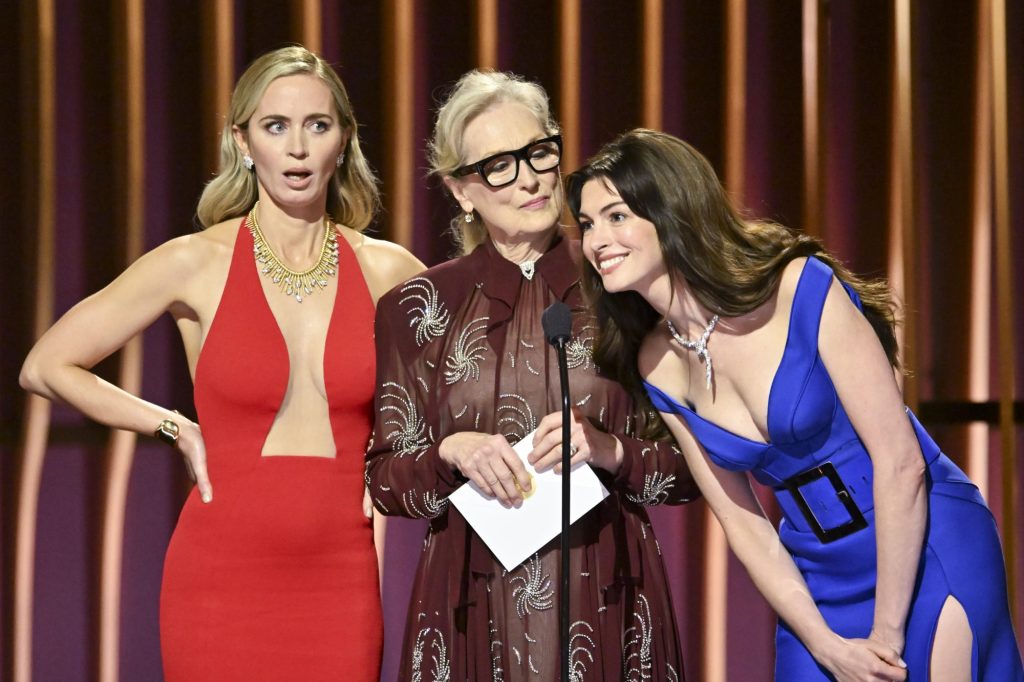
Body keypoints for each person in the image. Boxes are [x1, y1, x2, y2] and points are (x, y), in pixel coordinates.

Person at [20, 46, 424, 680]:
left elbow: (469, 387)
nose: (297, 148)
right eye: (275, 126)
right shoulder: (195, 262)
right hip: (219, 581)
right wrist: (172, 426)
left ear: (343, 142)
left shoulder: (389, 272)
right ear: (243, 141)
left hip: (339, 581)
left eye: (317, 126)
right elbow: (46, 365)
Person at [567, 128, 1024, 682]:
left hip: (923, 539)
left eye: (616, 216)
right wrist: (824, 644)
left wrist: (884, 638)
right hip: (816, 573)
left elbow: (902, 464)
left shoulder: (799, 286)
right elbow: (742, 521)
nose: (596, 240)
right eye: (588, 224)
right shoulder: (655, 362)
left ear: (673, 210)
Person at [364, 72, 699, 680]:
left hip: (610, 595)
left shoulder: (625, 284)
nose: (528, 178)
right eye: (498, 165)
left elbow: (692, 471)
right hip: (466, 605)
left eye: (539, 152)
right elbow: (387, 483)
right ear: (460, 190)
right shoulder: (416, 309)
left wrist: (610, 449)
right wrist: (450, 452)